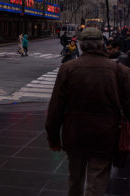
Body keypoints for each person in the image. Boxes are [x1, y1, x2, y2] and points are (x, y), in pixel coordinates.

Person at [46, 28, 130, 196]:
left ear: (81, 46)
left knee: (74, 179)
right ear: (102, 45)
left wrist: (53, 136)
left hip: (74, 133)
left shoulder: (68, 69)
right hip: (106, 135)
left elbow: (56, 108)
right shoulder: (120, 71)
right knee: (97, 180)